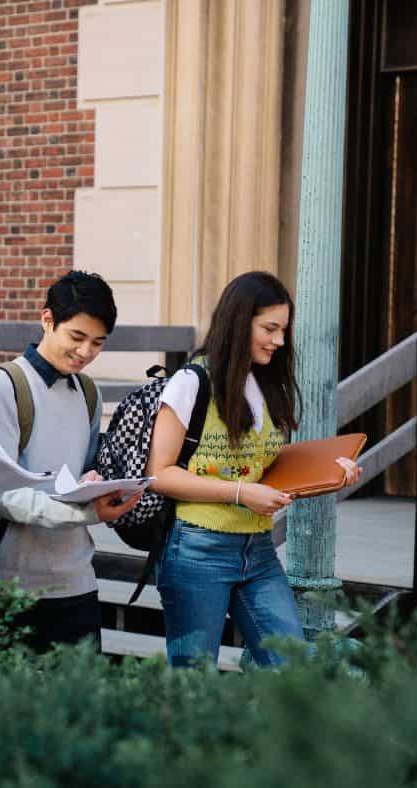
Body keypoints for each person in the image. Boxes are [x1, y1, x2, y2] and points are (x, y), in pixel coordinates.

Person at [146, 271, 361, 667]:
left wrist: (329, 471)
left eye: (283, 330)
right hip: (197, 549)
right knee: (194, 682)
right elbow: (159, 474)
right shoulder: (191, 382)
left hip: (257, 551)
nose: (279, 341)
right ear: (238, 320)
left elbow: (265, 464)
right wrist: (243, 494)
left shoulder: (264, 383)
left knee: (289, 666)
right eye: (270, 328)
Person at [0, 270, 141, 652]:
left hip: (76, 582)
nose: (86, 352)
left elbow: (78, 474)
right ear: (47, 320)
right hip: (4, 585)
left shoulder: (88, 392)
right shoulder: (3, 385)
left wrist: (95, 483)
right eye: (77, 337)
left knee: (77, 709)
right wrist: (85, 512)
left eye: (98, 342)